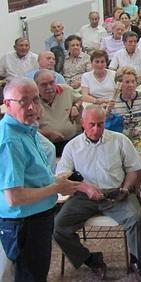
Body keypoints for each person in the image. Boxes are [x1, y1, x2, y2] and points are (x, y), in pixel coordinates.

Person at [54, 105, 141, 281]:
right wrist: (85, 188)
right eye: (91, 124)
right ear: (82, 123)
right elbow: (62, 177)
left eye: (100, 124)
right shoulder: (72, 146)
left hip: (116, 194)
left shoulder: (119, 140)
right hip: (83, 196)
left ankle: (137, 261)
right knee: (58, 227)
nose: (96, 129)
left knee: (137, 218)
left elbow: (133, 169)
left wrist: (126, 189)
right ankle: (91, 260)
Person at [0, 77, 79, 281]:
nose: (32, 107)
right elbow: (14, 197)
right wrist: (56, 187)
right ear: (7, 104)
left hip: (37, 218)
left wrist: (57, 181)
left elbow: (33, 174)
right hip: (24, 223)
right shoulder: (10, 140)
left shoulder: (27, 129)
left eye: (35, 100)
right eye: (24, 101)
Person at [35, 70, 83, 156]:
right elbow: (27, 129)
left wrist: (75, 106)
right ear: (36, 86)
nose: (49, 87)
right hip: (46, 147)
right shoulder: (32, 100)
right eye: (44, 84)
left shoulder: (66, 90)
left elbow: (80, 99)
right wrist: (48, 133)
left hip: (72, 141)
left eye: (51, 82)